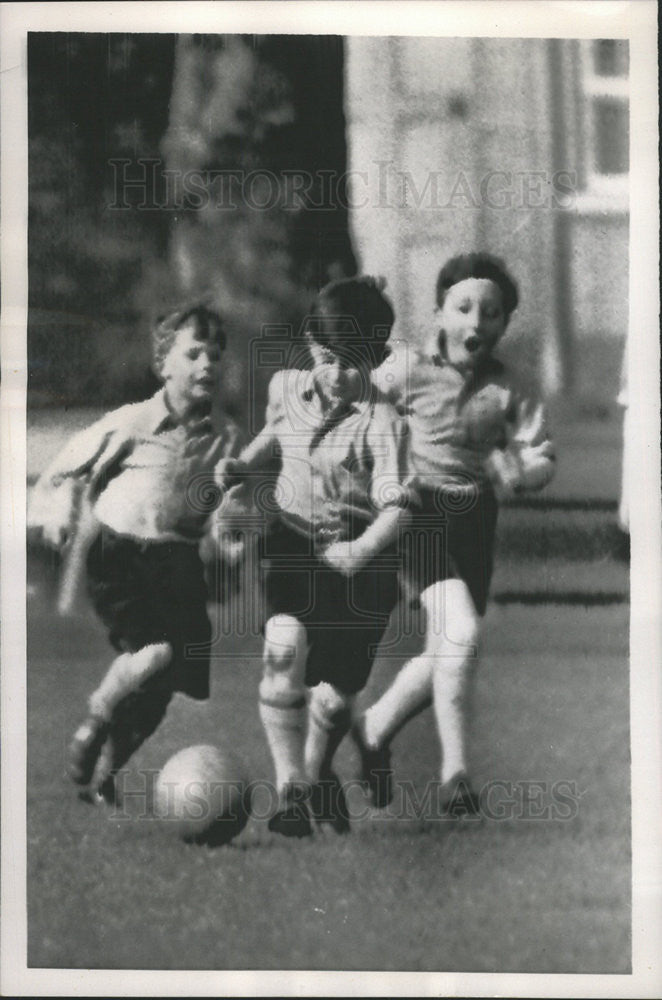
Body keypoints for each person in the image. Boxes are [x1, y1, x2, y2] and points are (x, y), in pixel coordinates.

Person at [354, 253, 556, 815]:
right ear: (440, 313)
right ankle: (456, 774)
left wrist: (525, 472)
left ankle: (373, 729)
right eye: (463, 307)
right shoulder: (405, 369)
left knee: (449, 647)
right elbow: (352, 409)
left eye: (490, 313)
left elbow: (540, 456)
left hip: (475, 520)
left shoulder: (511, 385)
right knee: (462, 634)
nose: (476, 323)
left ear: (505, 323)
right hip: (415, 517)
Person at [28, 304, 243, 804]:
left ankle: (104, 776)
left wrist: (233, 529)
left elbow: (232, 510)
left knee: (162, 687)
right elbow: (63, 469)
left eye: (215, 354)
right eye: (193, 353)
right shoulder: (133, 422)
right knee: (153, 652)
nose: (207, 364)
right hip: (120, 556)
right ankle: (95, 716)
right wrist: (57, 511)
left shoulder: (228, 439)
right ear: (164, 363)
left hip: (180, 565)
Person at [221, 276, 411, 836]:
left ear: (377, 358)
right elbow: (272, 437)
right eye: (327, 358)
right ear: (310, 345)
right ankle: (292, 791)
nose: (335, 375)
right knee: (283, 649)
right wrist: (240, 467)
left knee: (333, 702)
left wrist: (362, 547)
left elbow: (397, 509)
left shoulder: (383, 424)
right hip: (292, 545)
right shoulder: (286, 388)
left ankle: (317, 771)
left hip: (360, 567)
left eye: (352, 363)